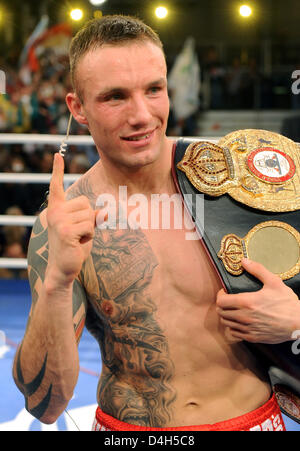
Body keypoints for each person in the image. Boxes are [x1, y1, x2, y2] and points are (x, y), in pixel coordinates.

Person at [12, 15, 300, 431]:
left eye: (154, 89)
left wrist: (295, 320)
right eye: (115, 97)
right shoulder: (66, 223)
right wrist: (57, 279)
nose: (142, 115)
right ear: (78, 108)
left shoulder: (236, 178)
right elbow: (45, 404)